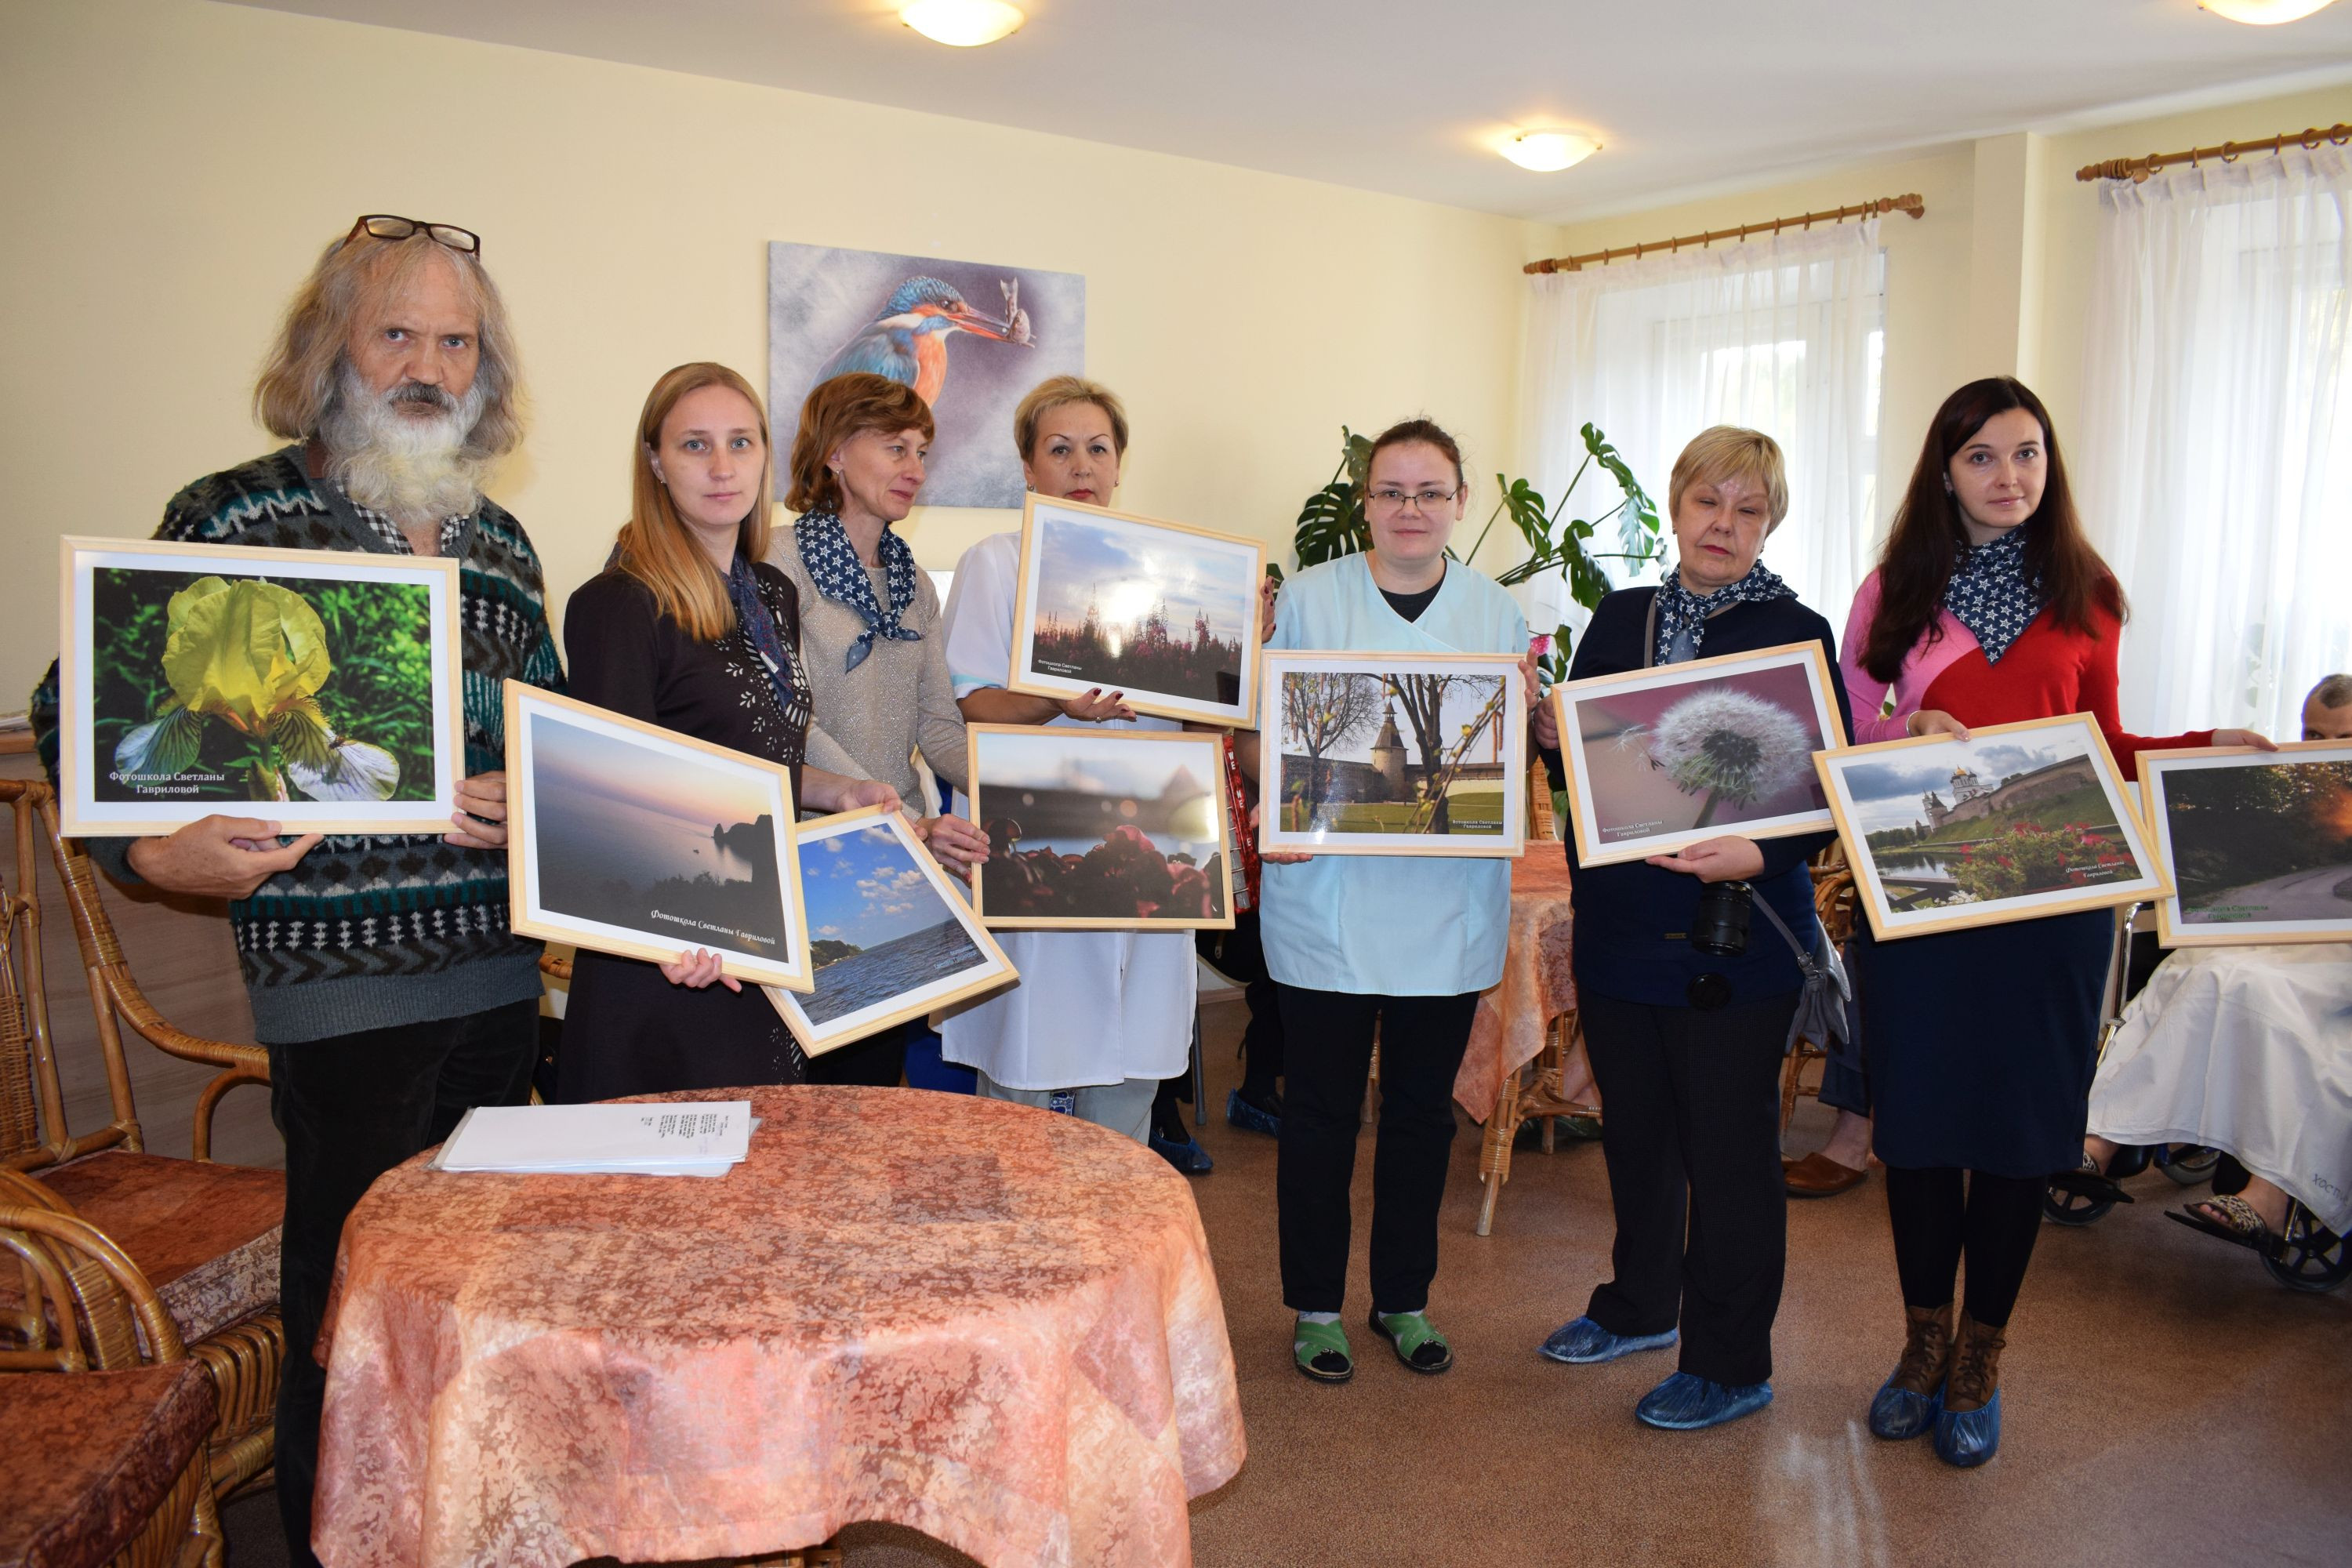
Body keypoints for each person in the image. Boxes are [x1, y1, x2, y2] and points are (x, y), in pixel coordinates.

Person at [28, 215, 561, 1568]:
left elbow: (552, 733)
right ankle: (340, 1544)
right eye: (399, 333)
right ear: (333, 351)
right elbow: (68, 704)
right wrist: (144, 853)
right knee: (352, 1301)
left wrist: (536, 806)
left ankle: (469, 1526)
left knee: (480, 1288)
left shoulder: (503, 545)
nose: (430, 364)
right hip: (340, 990)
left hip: (499, 978)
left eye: (458, 340)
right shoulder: (237, 512)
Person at [1838, 376, 2271, 1468]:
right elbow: (1845, 734)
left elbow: (2105, 744)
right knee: (1924, 1134)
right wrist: (1903, 725)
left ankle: (1980, 1364)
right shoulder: (1891, 594)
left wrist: (2204, 743)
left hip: (2053, 907)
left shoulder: (2091, 589)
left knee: (2024, 1143)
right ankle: (1920, 1349)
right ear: (1946, 470)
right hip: (1925, 897)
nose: (2009, 476)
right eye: (1983, 456)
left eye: (2027, 454)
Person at [1534, 427, 1852, 1431]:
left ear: (1770, 523)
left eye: (1748, 509)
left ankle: (1730, 1360)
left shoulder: (1795, 631)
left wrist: (1763, 855)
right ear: (1674, 505)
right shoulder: (1620, 616)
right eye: (1708, 500)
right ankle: (1638, 1307)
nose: (1724, 523)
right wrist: (1556, 743)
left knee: (1727, 1151)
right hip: (1623, 922)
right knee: (1636, 1133)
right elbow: (1587, 784)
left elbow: (1822, 790)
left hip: (1735, 932)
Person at [557, 363, 985, 1102]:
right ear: (655, 461)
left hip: (763, 925)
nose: (723, 467)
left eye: (741, 442)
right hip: (676, 953)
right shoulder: (618, 604)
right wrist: (669, 932)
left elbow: (764, 757)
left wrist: (843, 789)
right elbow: (607, 804)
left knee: (783, 1170)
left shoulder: (768, 595)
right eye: (695, 446)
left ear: (764, 453)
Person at [1250, 417, 1552, 1385]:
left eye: (1430, 492)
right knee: (1323, 1114)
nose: (1410, 509)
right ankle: (1313, 1306)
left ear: (1460, 502)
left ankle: (1403, 1298)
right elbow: (1268, 731)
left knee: (1423, 1114)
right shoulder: (1306, 600)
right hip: (1328, 901)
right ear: (1364, 501)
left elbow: (1504, 750)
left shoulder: (1497, 617)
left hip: (1445, 904)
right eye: (1391, 491)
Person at [938, 376, 1190, 1142]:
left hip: (1144, 843)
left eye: (1098, 448)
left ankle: (1117, 1242)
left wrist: (1249, 651)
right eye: (1059, 449)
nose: (1081, 465)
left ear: (1119, 465)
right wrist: (1058, 700)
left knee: (1131, 1066)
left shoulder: (1168, 578)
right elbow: (970, 705)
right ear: (1027, 466)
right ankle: (1017, 1252)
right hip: (1041, 845)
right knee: (1025, 1063)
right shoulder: (996, 564)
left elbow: (1197, 719)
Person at [2080, 673, 2352, 1253]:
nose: (2321, 745)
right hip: (2269, 938)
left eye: (2344, 735)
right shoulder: (2295, 788)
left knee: (2261, 992)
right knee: (2192, 971)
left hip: (2337, 960)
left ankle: (2270, 1197)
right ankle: (2101, 1141)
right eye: (2311, 732)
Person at [768, 372, 971, 1087]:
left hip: (894, 845)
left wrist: (1022, 779)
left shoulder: (915, 585)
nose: (914, 469)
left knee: (875, 1079)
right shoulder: (773, 562)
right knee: (795, 1088)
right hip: (801, 848)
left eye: (921, 451)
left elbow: (939, 725)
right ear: (833, 452)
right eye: (894, 448)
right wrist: (868, 797)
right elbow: (784, 715)